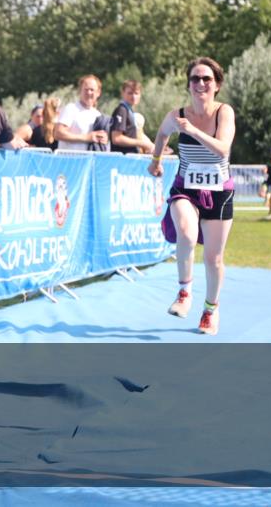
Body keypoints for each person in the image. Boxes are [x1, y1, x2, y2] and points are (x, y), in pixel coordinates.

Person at [148, 57, 235, 336]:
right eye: (195, 79)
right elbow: (161, 134)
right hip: (186, 187)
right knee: (185, 233)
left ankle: (210, 309)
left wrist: (193, 131)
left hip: (219, 192)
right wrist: (156, 160)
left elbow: (222, 149)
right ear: (188, 85)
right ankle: (184, 292)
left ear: (217, 85)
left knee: (213, 258)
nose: (200, 83)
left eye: (206, 79)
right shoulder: (177, 115)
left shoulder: (224, 113)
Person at [55, 75, 109, 151]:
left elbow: (97, 139)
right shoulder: (71, 108)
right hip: (70, 160)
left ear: (98, 93)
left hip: (89, 161)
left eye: (92, 90)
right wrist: (87, 138)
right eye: (86, 89)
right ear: (80, 91)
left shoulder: (98, 115)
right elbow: (58, 133)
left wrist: (103, 139)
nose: (89, 92)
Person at [110, 80, 154, 154]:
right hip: (123, 159)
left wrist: (151, 146)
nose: (133, 96)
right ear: (122, 93)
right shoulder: (122, 110)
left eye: (136, 93)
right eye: (130, 93)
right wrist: (142, 143)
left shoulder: (128, 110)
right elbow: (117, 138)